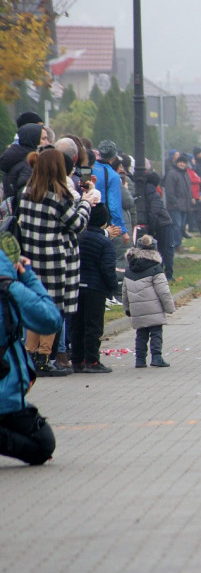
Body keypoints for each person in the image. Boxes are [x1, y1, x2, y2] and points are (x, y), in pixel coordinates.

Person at [17, 148, 93, 376]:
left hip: (33, 258)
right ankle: (43, 358)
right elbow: (77, 224)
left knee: (36, 308)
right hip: (56, 261)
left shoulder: (27, 192)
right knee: (53, 310)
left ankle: (30, 356)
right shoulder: (58, 197)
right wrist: (86, 202)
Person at [0, 250, 63, 465]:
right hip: (5, 396)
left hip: (8, 395)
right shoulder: (8, 289)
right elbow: (51, 320)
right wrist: (27, 276)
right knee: (43, 444)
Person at [71, 203, 117, 373]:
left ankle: (77, 360)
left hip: (76, 286)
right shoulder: (105, 243)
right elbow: (107, 269)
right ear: (104, 222)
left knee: (77, 325)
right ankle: (92, 361)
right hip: (95, 288)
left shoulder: (78, 237)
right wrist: (113, 287)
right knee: (93, 326)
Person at [122, 235, 176, 368]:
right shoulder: (156, 268)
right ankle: (156, 357)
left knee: (141, 334)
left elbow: (124, 291)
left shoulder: (129, 269)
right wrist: (169, 308)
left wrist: (127, 308)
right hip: (154, 307)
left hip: (137, 309)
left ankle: (140, 360)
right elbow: (163, 291)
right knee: (156, 332)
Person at [1, 123, 48, 198]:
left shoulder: (15, 157)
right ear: (33, 140)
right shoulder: (29, 163)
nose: (47, 143)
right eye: (43, 139)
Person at [163, 152, 192, 250]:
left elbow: (188, 190)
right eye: (180, 162)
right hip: (175, 206)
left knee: (181, 226)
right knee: (176, 226)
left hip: (184, 205)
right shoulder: (172, 173)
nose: (182, 164)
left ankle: (178, 244)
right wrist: (175, 202)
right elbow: (169, 190)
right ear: (177, 162)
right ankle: (175, 245)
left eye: (184, 162)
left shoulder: (185, 174)